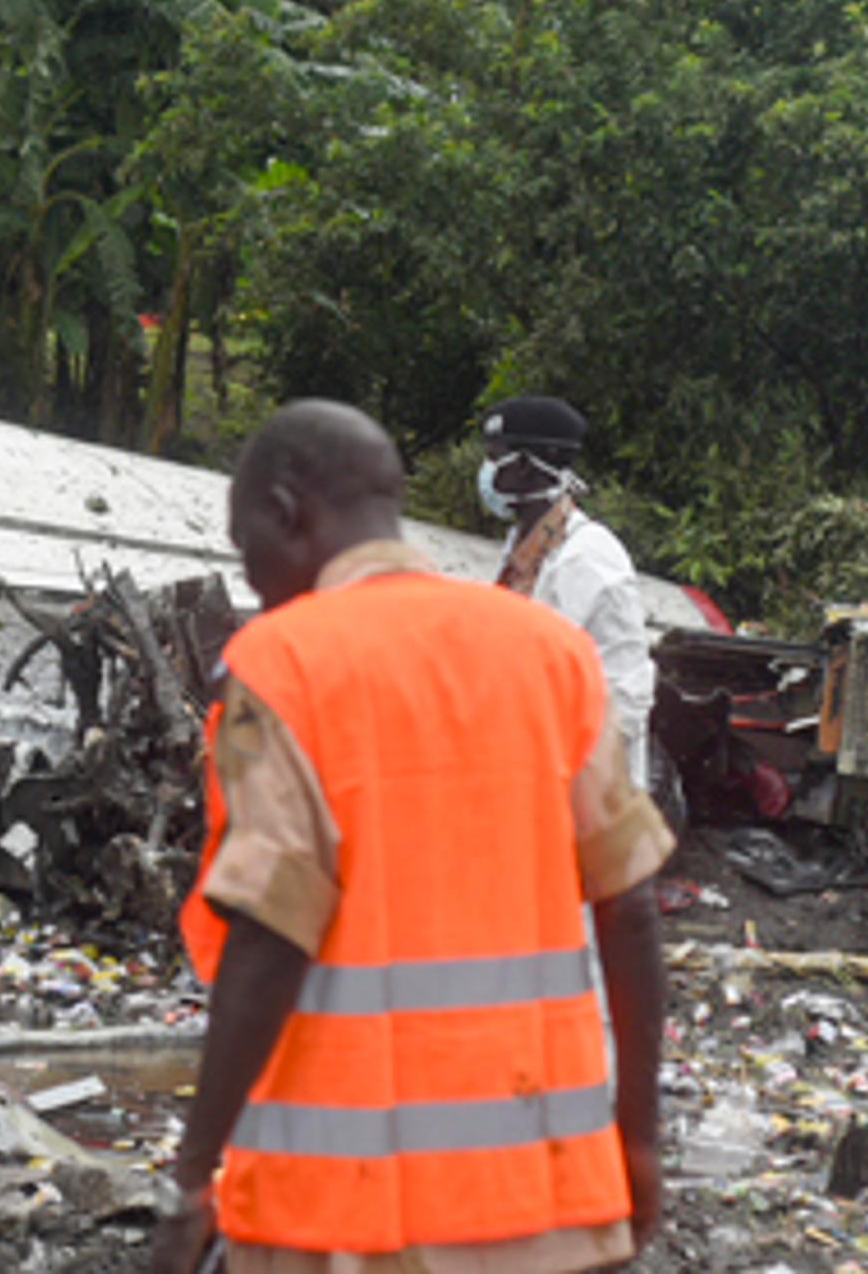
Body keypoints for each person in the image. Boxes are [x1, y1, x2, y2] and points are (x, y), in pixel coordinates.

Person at [154, 400, 670, 1274]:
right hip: (548, 1205)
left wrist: (193, 1176)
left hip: (340, 1217)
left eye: (247, 549)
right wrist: (639, 1141)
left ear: (283, 512)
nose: (252, 581)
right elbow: (630, 913)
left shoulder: (280, 665)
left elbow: (271, 933)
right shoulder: (551, 656)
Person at [478, 395, 658, 788]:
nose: (487, 472)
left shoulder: (587, 559)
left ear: (524, 467)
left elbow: (625, 697)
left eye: (495, 459)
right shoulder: (525, 549)